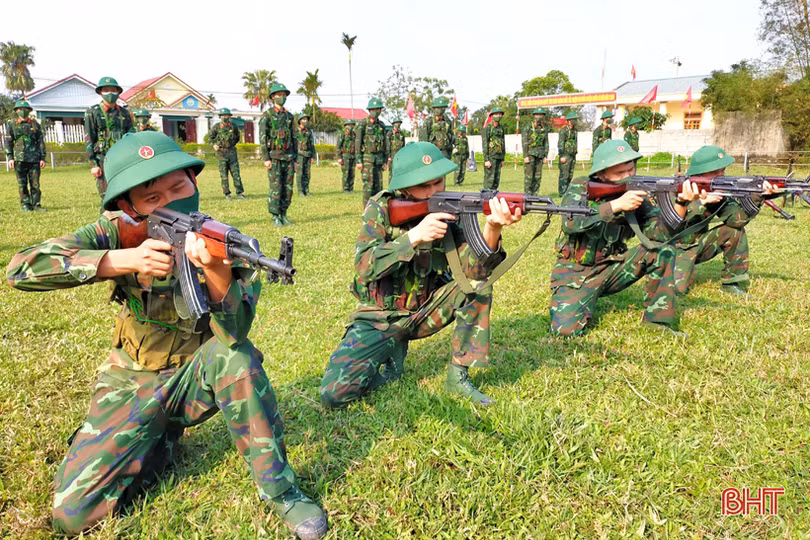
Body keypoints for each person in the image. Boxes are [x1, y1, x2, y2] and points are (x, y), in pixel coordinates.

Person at [5, 131, 327, 539]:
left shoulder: (219, 239)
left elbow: (234, 332)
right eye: (152, 197)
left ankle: (283, 494)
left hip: (193, 377)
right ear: (128, 207)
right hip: (129, 381)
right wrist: (119, 259)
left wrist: (215, 270)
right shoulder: (115, 232)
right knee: (73, 516)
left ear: (195, 182)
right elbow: (20, 269)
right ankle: (160, 441)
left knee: (238, 357)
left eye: (179, 186)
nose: (171, 201)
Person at [320, 142, 522, 409]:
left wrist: (493, 228)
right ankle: (391, 350)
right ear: (403, 188)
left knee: (478, 285)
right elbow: (364, 266)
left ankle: (457, 377)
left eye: (438, 182)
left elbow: (474, 271)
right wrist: (413, 237)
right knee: (333, 395)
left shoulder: (453, 208)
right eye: (423, 186)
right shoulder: (380, 209)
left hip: (427, 309)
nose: (434, 191)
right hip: (379, 317)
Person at [549, 139, 703, 338]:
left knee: (662, 249)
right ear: (601, 173)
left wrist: (682, 202)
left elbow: (659, 235)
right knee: (565, 331)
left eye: (631, 169)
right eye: (619, 173)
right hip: (575, 272)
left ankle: (657, 320)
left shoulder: (638, 194)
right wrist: (615, 206)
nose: (628, 176)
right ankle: (584, 298)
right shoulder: (582, 186)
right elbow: (570, 223)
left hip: (614, 266)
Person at [673, 145, 778, 297]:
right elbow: (669, 225)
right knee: (678, 291)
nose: (721, 175)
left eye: (723, 170)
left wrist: (758, 197)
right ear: (700, 173)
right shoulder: (676, 189)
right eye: (716, 171)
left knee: (734, 231)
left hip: (697, 246)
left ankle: (731, 283)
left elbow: (736, 220)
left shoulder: (716, 190)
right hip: (671, 250)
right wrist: (701, 203)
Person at [84, 76, 134, 201]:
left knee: (125, 192)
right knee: (106, 195)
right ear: (100, 92)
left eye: (113, 90)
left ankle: (124, 219)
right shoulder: (93, 112)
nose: (110, 93)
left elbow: (131, 135)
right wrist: (93, 164)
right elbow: (89, 138)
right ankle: (107, 219)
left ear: (118, 92)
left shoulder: (124, 113)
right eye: (106, 90)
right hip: (102, 159)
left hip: (122, 159)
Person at [259, 82, 297, 225]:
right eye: (279, 95)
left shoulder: (289, 117)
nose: (282, 97)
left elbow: (294, 137)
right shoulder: (267, 116)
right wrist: (266, 158)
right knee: (276, 187)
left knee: (288, 188)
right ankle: (275, 215)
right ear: (273, 97)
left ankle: (284, 214)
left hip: (288, 157)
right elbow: (263, 138)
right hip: (274, 157)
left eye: (283, 95)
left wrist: (296, 156)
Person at [4, 99, 46, 212]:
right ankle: (25, 204)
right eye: (20, 109)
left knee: (35, 184)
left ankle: (36, 204)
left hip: (34, 159)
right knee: (22, 183)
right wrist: (10, 157)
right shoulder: (11, 124)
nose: (23, 111)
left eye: (25, 109)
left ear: (29, 111)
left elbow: (40, 142)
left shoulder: (35, 124)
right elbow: (8, 142)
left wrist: (42, 158)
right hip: (19, 158)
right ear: (16, 111)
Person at [355, 97, 387, 207]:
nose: (376, 112)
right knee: (368, 186)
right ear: (370, 110)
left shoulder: (382, 125)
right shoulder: (362, 124)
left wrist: (385, 161)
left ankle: (377, 209)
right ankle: (367, 208)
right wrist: (358, 160)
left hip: (378, 159)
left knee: (378, 186)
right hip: (367, 158)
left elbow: (385, 145)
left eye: (378, 109)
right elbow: (358, 143)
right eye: (374, 109)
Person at [209, 108, 245, 200]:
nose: (225, 117)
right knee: (224, 175)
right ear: (220, 117)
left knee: (236, 174)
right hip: (221, 153)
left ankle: (239, 193)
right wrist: (214, 145)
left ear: (230, 116)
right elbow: (210, 138)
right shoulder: (216, 127)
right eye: (223, 115)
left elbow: (237, 138)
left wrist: (231, 145)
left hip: (232, 152)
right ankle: (227, 194)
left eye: (227, 115)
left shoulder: (234, 126)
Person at [522, 107, 550, 195]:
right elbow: (524, 142)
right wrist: (525, 156)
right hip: (530, 154)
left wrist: (545, 155)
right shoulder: (528, 127)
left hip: (540, 155)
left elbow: (546, 142)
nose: (539, 117)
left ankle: (535, 195)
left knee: (538, 176)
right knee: (529, 176)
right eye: (537, 115)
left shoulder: (544, 128)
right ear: (534, 116)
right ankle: (527, 195)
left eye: (541, 115)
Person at [482, 107, 506, 190]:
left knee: (496, 179)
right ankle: (486, 197)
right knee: (489, 179)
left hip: (499, 156)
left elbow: (503, 143)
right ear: (492, 116)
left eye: (500, 114)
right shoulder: (487, 128)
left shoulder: (501, 128)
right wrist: (486, 159)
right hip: (491, 157)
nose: (498, 116)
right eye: (496, 114)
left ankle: (494, 195)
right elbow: (485, 144)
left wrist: (503, 158)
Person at [557, 111, 579, 196]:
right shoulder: (563, 130)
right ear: (568, 120)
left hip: (572, 155)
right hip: (565, 155)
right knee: (564, 175)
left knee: (570, 174)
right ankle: (562, 192)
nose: (575, 121)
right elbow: (560, 143)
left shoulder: (575, 131)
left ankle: (567, 192)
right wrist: (562, 155)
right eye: (573, 119)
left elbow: (576, 142)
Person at [295, 112, 315, 196]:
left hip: (308, 154)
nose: (305, 121)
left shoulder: (309, 132)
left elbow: (312, 144)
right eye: (303, 119)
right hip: (299, 155)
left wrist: (312, 156)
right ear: (299, 121)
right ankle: (300, 191)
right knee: (300, 173)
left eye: (306, 119)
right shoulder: (296, 131)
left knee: (307, 174)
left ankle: (306, 190)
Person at [336, 119, 356, 192]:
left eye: (352, 125)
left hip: (353, 156)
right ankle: (346, 188)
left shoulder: (354, 135)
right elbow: (338, 146)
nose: (350, 127)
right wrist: (339, 157)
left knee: (352, 173)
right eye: (349, 125)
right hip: (345, 156)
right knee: (346, 173)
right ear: (345, 126)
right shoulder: (342, 134)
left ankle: (351, 188)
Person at [386, 117, 406, 183]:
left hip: (400, 157)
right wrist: (389, 156)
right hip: (392, 156)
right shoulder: (389, 134)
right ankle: (391, 188)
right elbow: (387, 146)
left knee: (400, 173)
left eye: (399, 123)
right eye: (396, 123)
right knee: (391, 173)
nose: (398, 124)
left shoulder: (402, 134)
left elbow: (403, 146)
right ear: (393, 124)